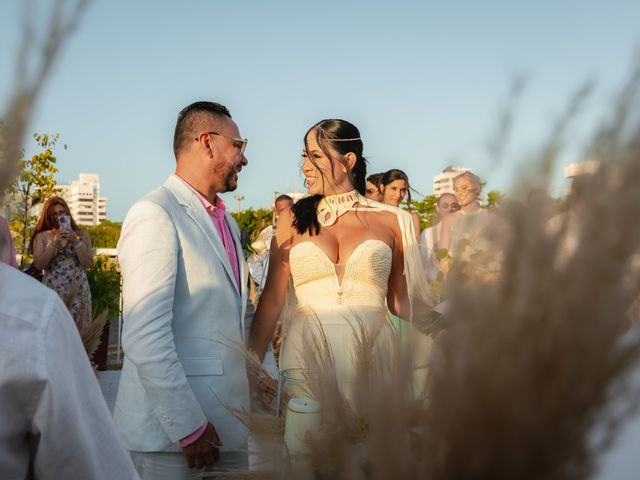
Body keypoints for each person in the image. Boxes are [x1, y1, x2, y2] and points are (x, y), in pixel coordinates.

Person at [114, 101, 251, 478]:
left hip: (229, 427)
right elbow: (144, 333)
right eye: (238, 145)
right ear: (207, 143)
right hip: (174, 437)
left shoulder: (228, 219)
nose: (244, 158)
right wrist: (189, 426)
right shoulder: (155, 213)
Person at [248, 119, 432, 392]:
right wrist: (249, 368)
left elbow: (401, 301)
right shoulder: (291, 218)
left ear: (348, 161)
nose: (305, 167)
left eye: (316, 156)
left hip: (373, 358)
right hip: (305, 359)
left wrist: (448, 326)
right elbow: (273, 298)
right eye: (304, 157)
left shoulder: (394, 220)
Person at [0, 262, 139, 479]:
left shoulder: (33, 313)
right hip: (52, 299)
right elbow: (88, 466)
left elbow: (87, 259)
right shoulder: (34, 313)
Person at [30, 196, 93, 325]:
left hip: (79, 292)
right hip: (54, 292)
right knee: (55, 333)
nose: (57, 217)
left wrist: (75, 242)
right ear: (47, 216)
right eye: (53, 214)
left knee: (80, 335)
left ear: (67, 213)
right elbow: (38, 265)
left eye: (61, 213)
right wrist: (54, 244)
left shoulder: (81, 234)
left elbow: (88, 263)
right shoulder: (42, 236)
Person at [438, 171, 492, 276]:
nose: (459, 193)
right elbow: (443, 257)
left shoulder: (489, 217)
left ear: (477, 188)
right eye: (456, 190)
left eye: (464, 188)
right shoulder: (449, 220)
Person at [248, 194, 294, 296]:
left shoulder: (304, 231)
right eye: (283, 210)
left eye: (290, 209)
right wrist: (267, 284)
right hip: (274, 292)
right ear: (276, 211)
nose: (287, 213)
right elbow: (253, 262)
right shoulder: (267, 233)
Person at [420, 193, 459, 280]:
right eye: (445, 206)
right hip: (436, 286)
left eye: (454, 206)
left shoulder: (467, 231)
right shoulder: (428, 233)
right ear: (438, 209)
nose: (450, 209)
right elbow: (424, 264)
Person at [380, 169, 422, 237]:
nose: (398, 195)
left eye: (402, 190)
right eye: (393, 188)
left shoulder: (412, 218)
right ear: (382, 188)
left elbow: (417, 246)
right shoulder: (371, 215)